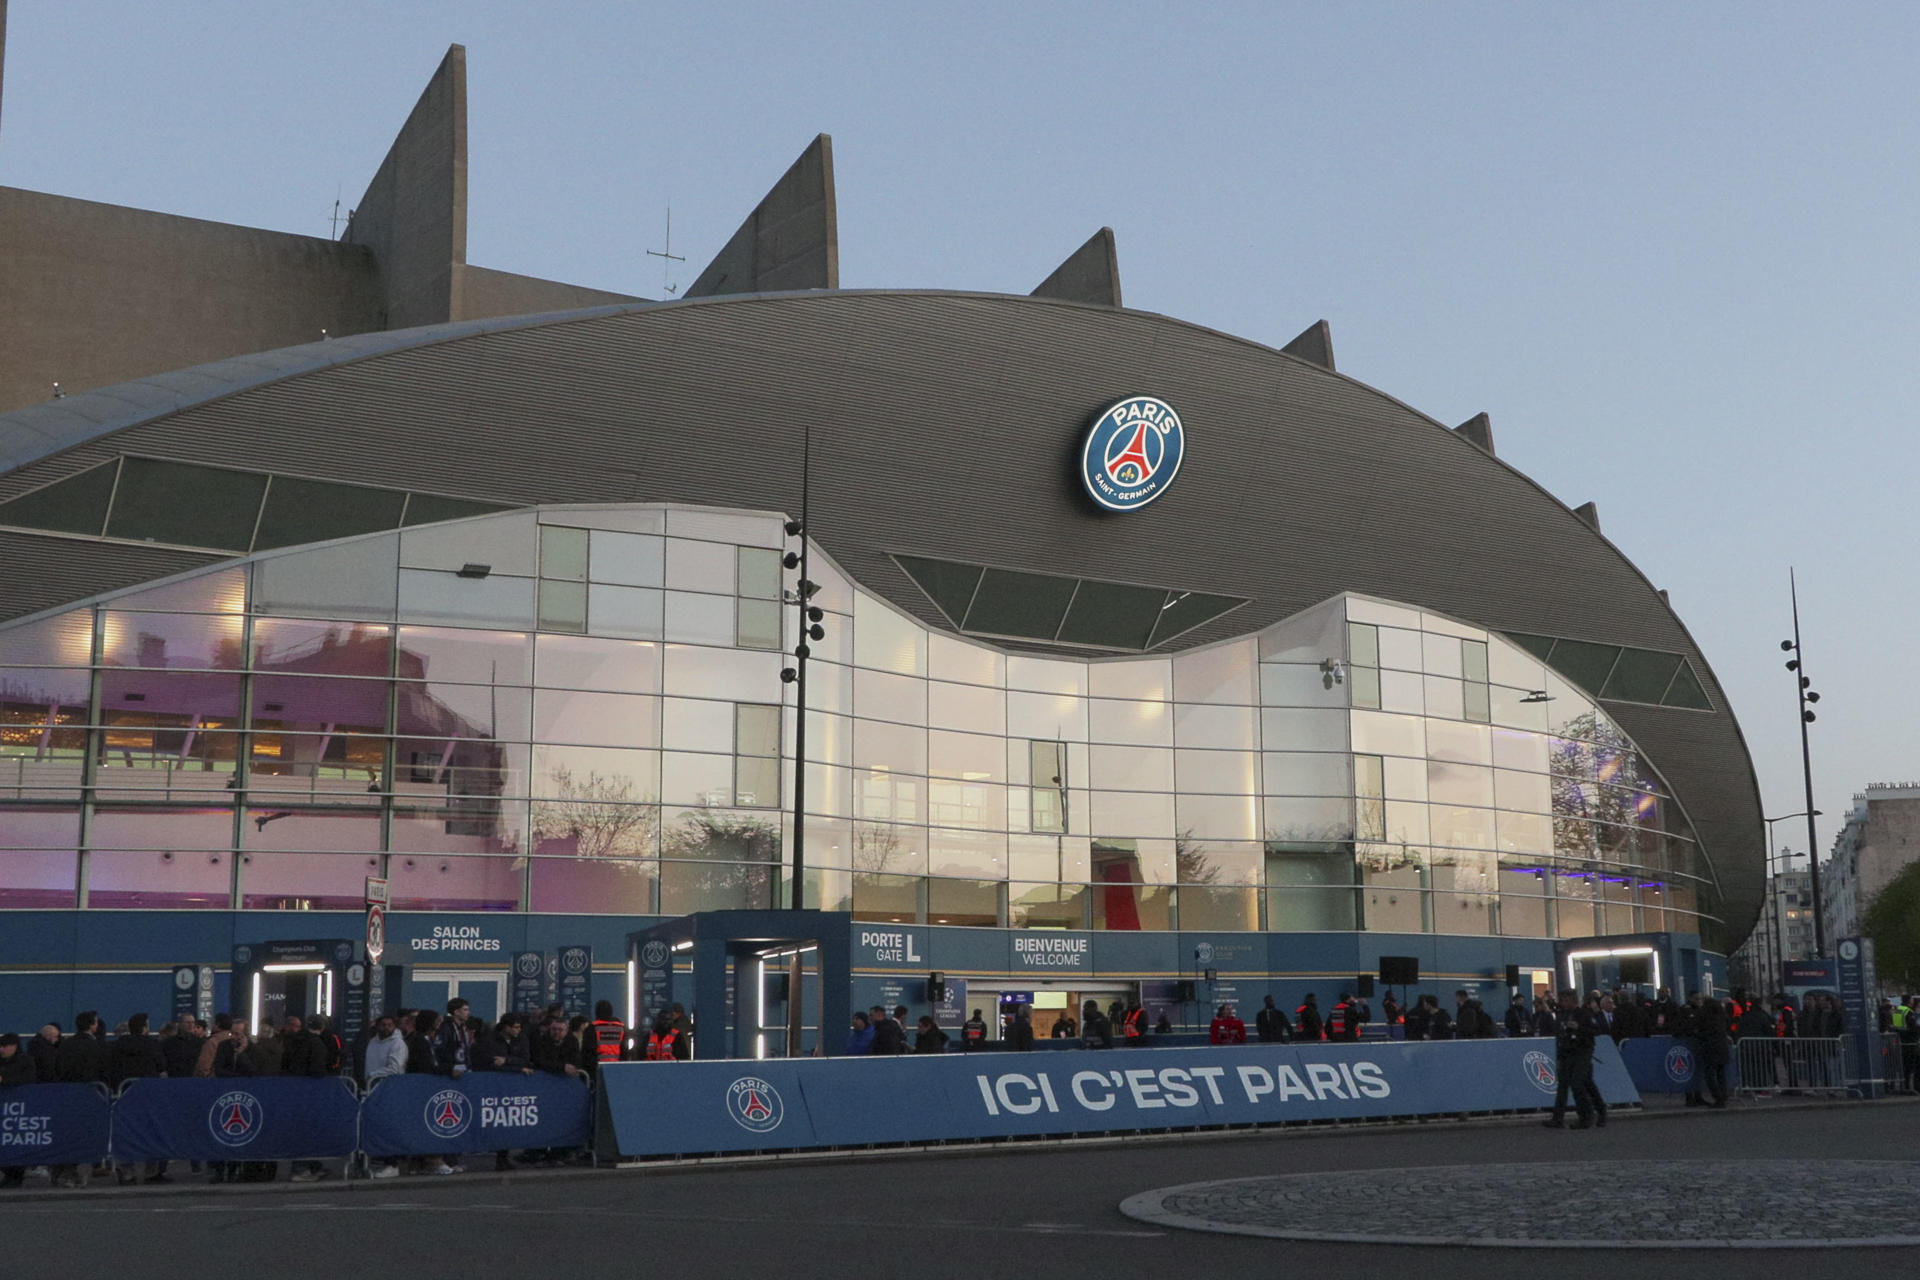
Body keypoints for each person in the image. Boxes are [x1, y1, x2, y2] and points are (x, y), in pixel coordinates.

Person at [106, 1012, 168, 1184]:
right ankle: (151, 1171)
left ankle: (126, 1171)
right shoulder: (152, 1045)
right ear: (144, 1028)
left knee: (125, 1133)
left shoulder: (118, 1046)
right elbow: (161, 1066)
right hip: (148, 1096)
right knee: (151, 1132)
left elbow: (110, 1067)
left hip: (123, 1095)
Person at [52, 1011, 104, 1188]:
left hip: (66, 1091)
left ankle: (61, 1170)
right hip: (88, 1092)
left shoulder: (67, 1044)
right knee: (84, 1133)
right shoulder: (93, 1045)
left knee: (67, 1131)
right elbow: (99, 1068)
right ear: (91, 1025)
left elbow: (58, 1066)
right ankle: (74, 1172)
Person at [1542, 989, 1605, 1130]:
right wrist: (1558, 1057)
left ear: (1574, 1000)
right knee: (1565, 1084)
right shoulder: (1561, 1015)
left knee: (1578, 1083)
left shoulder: (1583, 1014)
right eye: (1562, 1000)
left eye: (1566, 1000)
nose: (1563, 1003)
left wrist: (1580, 1028)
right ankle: (1558, 1118)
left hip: (1582, 1052)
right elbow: (1560, 1036)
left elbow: (1596, 1030)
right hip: (1566, 1052)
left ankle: (1587, 1115)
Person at [0, 1033, 35, 1188]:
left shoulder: (25, 1061)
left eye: (4, 1046)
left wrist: (5, 1080)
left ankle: (16, 1174)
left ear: (14, 1046)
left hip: (20, 1107)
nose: (1, 1049)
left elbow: (28, 1079)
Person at [1691, 991, 1730, 1108]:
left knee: (1709, 1074)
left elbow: (1697, 1027)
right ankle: (1723, 1096)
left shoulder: (1703, 1013)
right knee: (1720, 1073)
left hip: (1709, 1046)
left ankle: (1718, 1097)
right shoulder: (1721, 1013)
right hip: (1722, 1045)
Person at [589, 999, 628, 1069]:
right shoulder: (620, 1028)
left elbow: (588, 1051)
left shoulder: (593, 1027)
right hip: (617, 1066)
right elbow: (624, 1051)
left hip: (598, 1067)